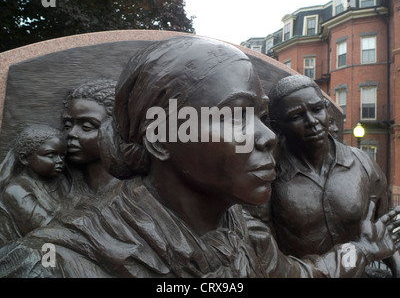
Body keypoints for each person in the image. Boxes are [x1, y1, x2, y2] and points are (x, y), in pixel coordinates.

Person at [0, 37, 399, 278]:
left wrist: (362, 251)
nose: (268, 138)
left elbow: (305, 274)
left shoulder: (245, 235)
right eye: (233, 116)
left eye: (260, 118)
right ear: (160, 139)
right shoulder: (47, 265)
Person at [267, 74, 400, 277]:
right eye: (296, 117)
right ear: (278, 127)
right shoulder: (266, 175)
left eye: (317, 109)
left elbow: (382, 233)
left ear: (327, 110)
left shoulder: (363, 164)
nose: (312, 122)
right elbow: (266, 257)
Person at [0, 124, 70, 238]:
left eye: (62, 156)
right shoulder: (16, 191)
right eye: (51, 155)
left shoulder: (60, 182)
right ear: (25, 158)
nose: (59, 161)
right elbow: (46, 227)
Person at [61, 79, 119, 198]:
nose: (71, 133)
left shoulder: (137, 194)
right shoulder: (59, 189)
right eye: (67, 125)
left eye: (87, 127)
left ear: (117, 129)